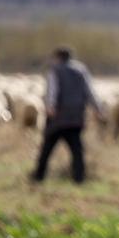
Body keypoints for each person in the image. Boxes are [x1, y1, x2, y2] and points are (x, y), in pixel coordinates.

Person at [30, 46, 105, 184]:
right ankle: (79, 177)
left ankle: (39, 175)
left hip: (58, 116)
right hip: (76, 115)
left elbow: (53, 89)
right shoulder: (81, 70)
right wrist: (97, 109)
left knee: (47, 147)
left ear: (58, 57)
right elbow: (89, 91)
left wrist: (50, 106)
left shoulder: (55, 70)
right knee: (77, 149)